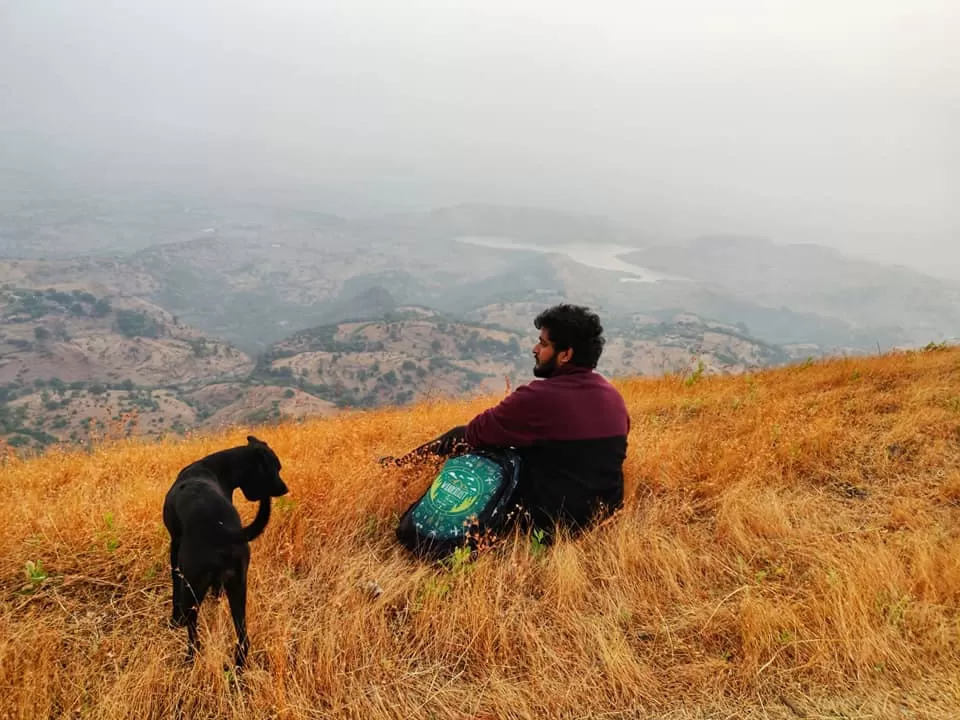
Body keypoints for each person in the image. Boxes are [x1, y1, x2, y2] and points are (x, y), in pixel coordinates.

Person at [396, 303, 630, 540]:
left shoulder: (537, 397)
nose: (535, 349)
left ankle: (399, 470)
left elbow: (476, 433)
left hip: (551, 525)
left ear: (565, 355)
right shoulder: (614, 397)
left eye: (543, 344)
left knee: (464, 437)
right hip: (604, 518)